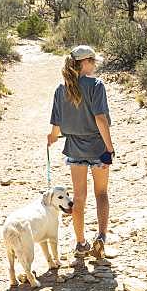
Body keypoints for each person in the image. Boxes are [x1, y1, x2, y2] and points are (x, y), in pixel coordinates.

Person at [47, 45, 115, 259]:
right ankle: (101, 238)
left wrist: (52, 137)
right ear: (85, 62)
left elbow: (56, 128)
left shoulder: (61, 88)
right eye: (93, 61)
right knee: (101, 193)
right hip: (97, 147)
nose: (94, 65)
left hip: (74, 148)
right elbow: (101, 119)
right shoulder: (96, 85)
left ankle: (80, 243)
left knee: (78, 196)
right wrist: (109, 149)